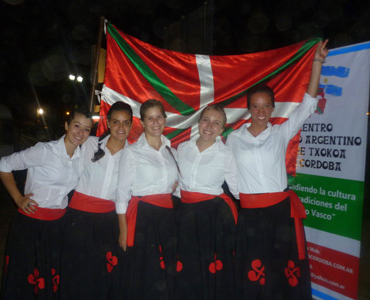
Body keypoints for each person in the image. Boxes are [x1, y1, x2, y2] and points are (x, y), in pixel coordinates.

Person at [226, 40, 329, 300]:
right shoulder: (234, 139)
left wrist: (316, 62)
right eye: (255, 106)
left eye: (266, 106)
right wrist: (241, 197)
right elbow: (228, 171)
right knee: (255, 270)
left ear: (273, 107)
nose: (261, 111)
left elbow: (308, 104)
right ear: (248, 109)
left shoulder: (281, 133)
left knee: (284, 269)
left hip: (280, 212)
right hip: (250, 215)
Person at [0, 110, 92, 300]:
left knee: (49, 276)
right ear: (66, 125)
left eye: (87, 129)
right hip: (31, 224)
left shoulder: (81, 158)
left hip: (57, 226)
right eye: (76, 125)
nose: (80, 133)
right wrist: (18, 198)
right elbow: (3, 165)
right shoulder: (45, 151)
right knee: (26, 277)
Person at [59, 102, 133, 300]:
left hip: (109, 221)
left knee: (103, 274)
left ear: (132, 125)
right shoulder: (89, 143)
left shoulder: (134, 155)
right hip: (78, 219)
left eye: (126, 123)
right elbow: (61, 161)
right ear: (108, 123)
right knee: (75, 271)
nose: (120, 127)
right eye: (115, 122)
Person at [174, 104, 239, 300]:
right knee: (186, 266)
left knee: (210, 268)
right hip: (183, 214)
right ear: (199, 122)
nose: (209, 126)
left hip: (213, 218)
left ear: (222, 128)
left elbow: (237, 189)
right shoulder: (183, 148)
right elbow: (176, 183)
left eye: (216, 123)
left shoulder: (226, 154)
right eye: (206, 120)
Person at [116, 99, 178, 300]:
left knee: (165, 271)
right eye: (149, 118)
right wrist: (123, 231)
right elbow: (121, 194)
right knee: (146, 273)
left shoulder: (171, 151)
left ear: (165, 119)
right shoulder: (132, 152)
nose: (155, 122)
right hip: (144, 219)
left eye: (159, 116)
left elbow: (177, 186)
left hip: (168, 217)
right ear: (142, 123)